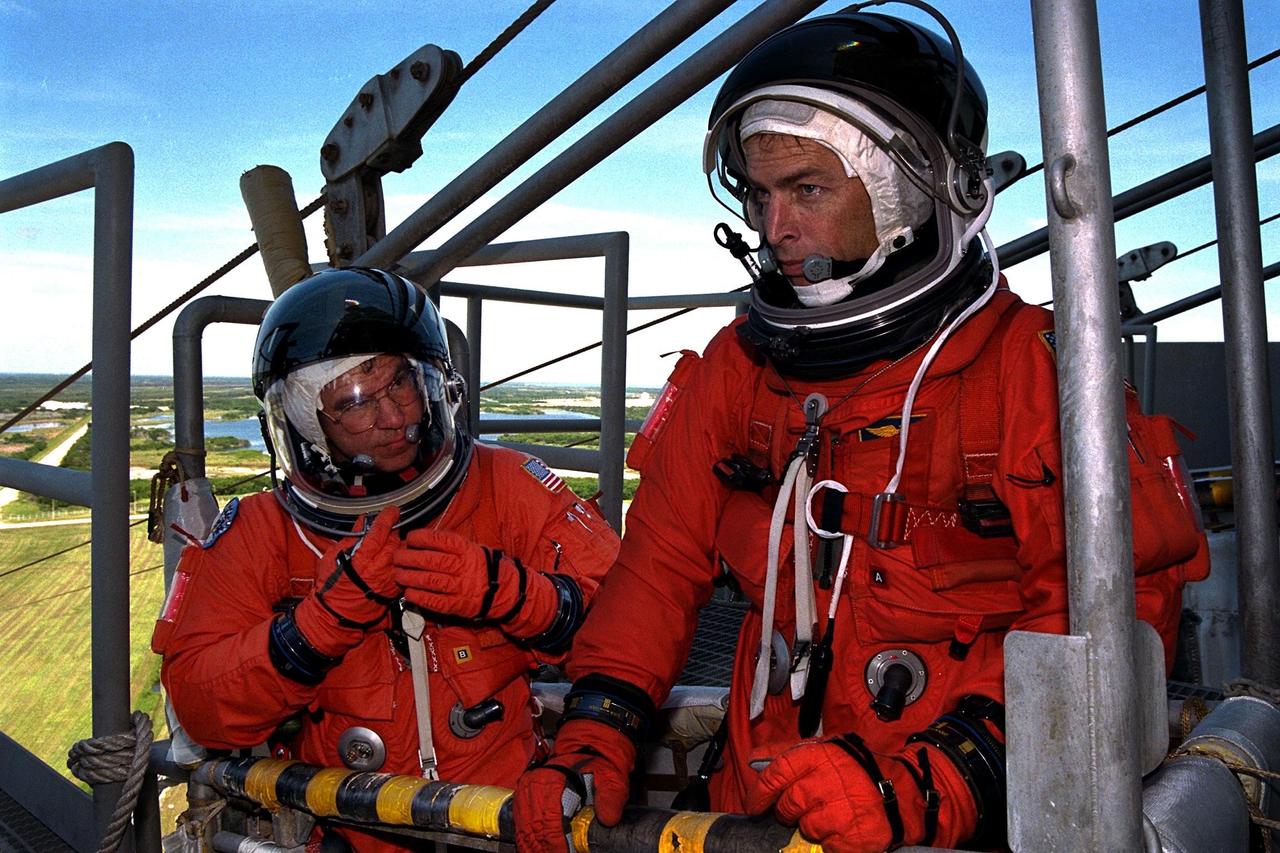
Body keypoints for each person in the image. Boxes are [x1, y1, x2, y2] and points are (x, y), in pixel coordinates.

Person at [513, 8, 1209, 853]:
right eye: (761, 195)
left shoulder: (1032, 374)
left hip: (953, 804)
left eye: (807, 189)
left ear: (915, 191)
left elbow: (1107, 614)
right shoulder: (738, 371)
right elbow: (655, 571)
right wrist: (592, 742)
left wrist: (933, 782)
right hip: (760, 798)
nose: (775, 229)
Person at [153, 266, 619, 852]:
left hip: (505, 820)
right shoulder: (264, 532)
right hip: (346, 825)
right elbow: (201, 707)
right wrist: (317, 628)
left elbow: (629, 626)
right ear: (307, 423)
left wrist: (514, 595)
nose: (395, 416)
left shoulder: (505, 485)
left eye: (401, 383)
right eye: (356, 400)